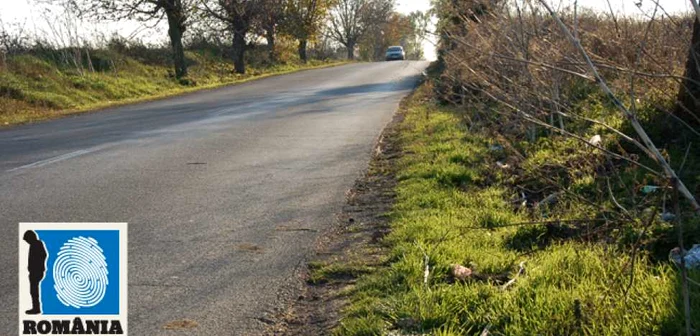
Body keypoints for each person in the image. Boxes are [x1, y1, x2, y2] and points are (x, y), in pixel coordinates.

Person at [23, 230, 47, 315]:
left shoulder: (36, 244)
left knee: (34, 291)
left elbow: (43, 255)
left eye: (27, 240)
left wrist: (38, 266)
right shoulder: (35, 244)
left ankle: (36, 308)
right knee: (33, 291)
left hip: (36, 271)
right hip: (35, 271)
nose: (27, 242)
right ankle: (36, 307)